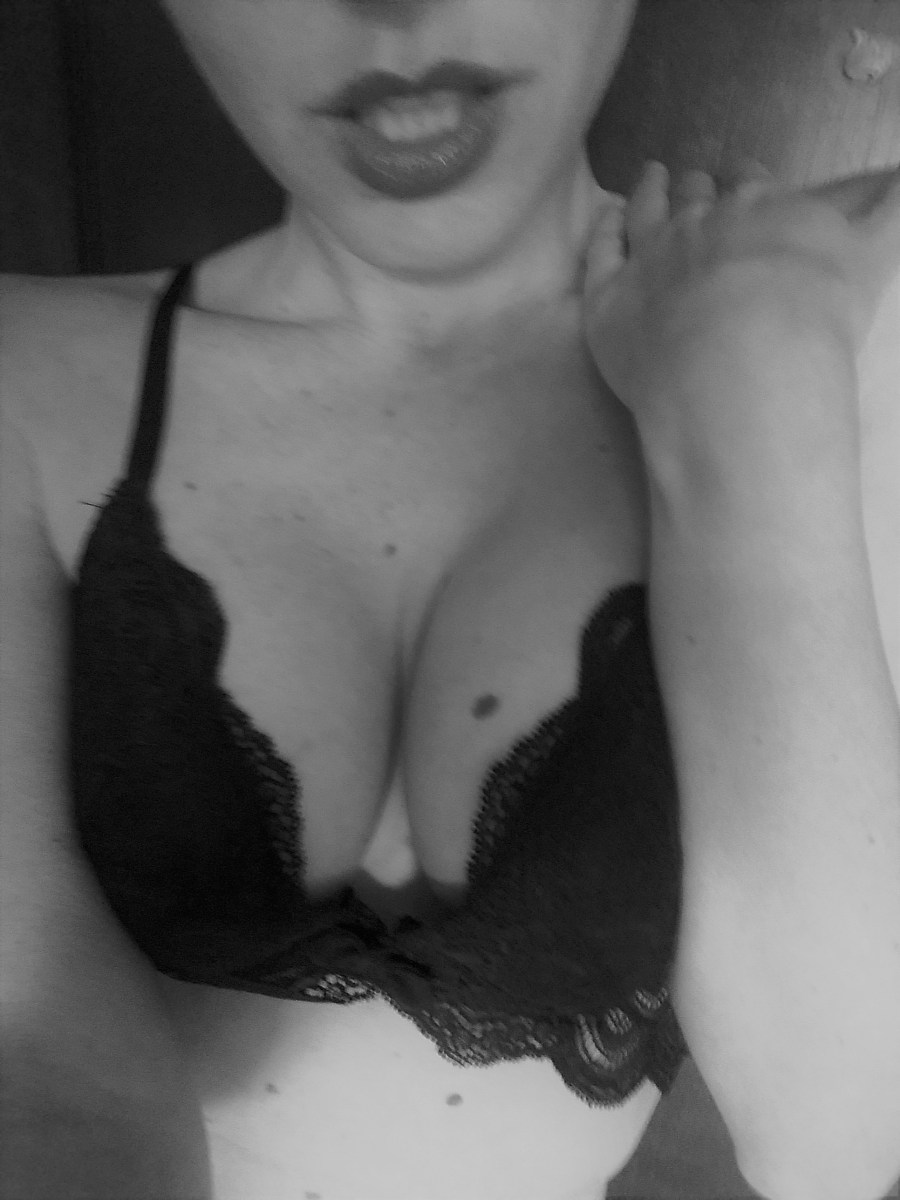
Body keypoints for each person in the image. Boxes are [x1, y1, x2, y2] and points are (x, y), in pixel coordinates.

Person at [2, 2, 900, 1198]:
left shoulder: (837, 308)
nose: (395, 7)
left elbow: (833, 1134)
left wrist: (751, 384)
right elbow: (47, 1081)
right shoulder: (22, 374)